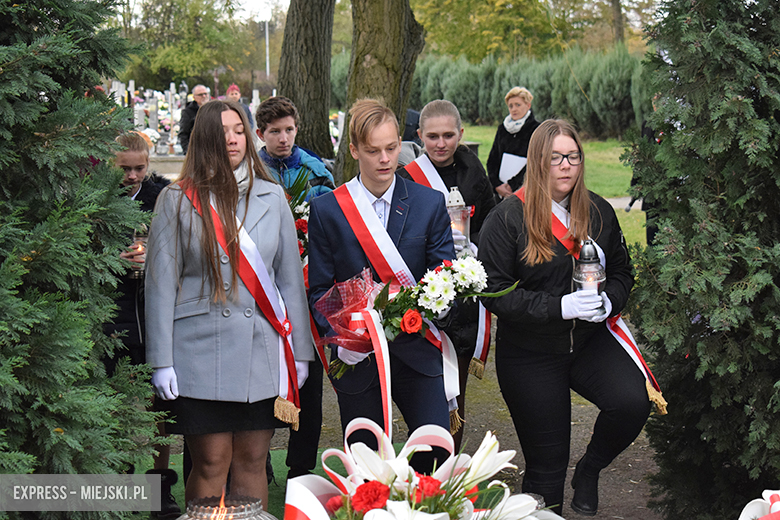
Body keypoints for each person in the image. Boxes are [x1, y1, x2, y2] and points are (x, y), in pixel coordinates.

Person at [478, 119, 653, 516]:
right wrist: (558, 307)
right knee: (545, 469)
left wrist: (610, 301)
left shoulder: (599, 211)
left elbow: (623, 273)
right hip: (530, 353)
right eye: (555, 157)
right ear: (538, 161)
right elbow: (494, 293)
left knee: (632, 403)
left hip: (588, 343)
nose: (565, 166)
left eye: (573, 157)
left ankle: (589, 470)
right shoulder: (506, 219)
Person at [145, 100, 313, 507]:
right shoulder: (176, 199)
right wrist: (161, 359)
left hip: (262, 350)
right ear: (204, 140)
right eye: (222, 132)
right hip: (200, 352)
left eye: (239, 129)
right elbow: (160, 285)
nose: (233, 138)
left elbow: (290, 281)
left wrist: (301, 353)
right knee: (210, 461)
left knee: (253, 459)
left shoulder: (272, 197)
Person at [307, 98, 456, 472]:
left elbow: (443, 276)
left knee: (436, 453)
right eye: (373, 151)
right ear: (355, 150)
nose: (385, 159)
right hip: (358, 356)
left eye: (392, 148)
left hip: (417, 346)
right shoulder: (329, 209)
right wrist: (343, 340)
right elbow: (320, 290)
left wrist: (436, 306)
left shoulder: (429, 203)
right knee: (366, 463)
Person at [396, 100, 495, 451]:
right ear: (419, 136)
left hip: (464, 305)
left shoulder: (475, 171)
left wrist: (476, 255)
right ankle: (421, 462)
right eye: (433, 136)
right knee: (424, 393)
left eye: (449, 135)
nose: (441, 143)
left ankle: (448, 473)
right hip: (420, 300)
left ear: (461, 134)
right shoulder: (405, 179)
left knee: (456, 394)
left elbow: (490, 224)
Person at [106, 131, 180, 519]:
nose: (133, 176)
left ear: (149, 163)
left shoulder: (164, 197)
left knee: (159, 407)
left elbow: (181, 247)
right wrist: (110, 259)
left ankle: (159, 485)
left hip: (155, 314)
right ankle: (119, 479)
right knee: (116, 401)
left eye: (139, 168)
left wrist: (155, 254)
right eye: (124, 169)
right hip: (112, 317)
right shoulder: (96, 200)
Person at [255, 96, 335, 201]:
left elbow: (331, 214)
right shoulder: (250, 172)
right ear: (260, 134)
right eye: (275, 131)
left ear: (296, 130)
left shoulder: (318, 174)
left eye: (289, 130)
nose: (283, 139)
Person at [486, 87, 540, 200]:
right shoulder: (502, 129)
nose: (514, 109)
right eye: (511, 106)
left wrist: (513, 185)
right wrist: (496, 185)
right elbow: (493, 159)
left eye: (518, 105)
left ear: (528, 105)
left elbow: (537, 161)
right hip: (500, 193)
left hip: (527, 190)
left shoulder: (537, 130)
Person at [178, 84, 210, 155]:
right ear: (194, 97)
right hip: (196, 152)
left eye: (205, 94)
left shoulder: (214, 109)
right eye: (200, 94)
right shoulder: (188, 112)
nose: (204, 96)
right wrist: (187, 152)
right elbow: (183, 133)